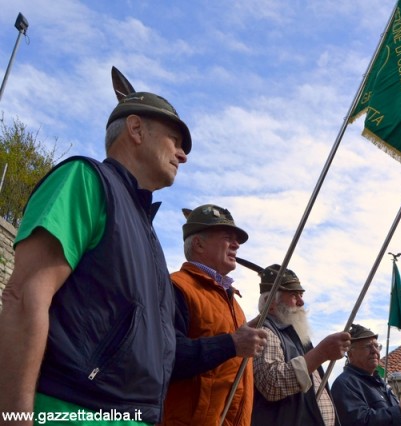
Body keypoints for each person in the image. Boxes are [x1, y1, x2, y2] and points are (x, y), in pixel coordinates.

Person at [0, 89, 192, 424]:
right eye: (175, 140)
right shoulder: (86, 180)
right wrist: (14, 416)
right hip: (73, 409)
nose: (182, 155)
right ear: (135, 129)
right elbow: (23, 297)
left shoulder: (148, 234)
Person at [161, 204, 268, 426]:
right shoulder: (175, 287)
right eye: (227, 237)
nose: (236, 245)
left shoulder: (234, 303)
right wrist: (230, 344)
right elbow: (166, 357)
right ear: (198, 244)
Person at [251, 264, 351, 425]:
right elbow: (271, 384)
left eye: (301, 294)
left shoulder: (295, 336)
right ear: (270, 303)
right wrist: (321, 353)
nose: (301, 302)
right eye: (294, 295)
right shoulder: (265, 332)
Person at [331, 324, 401, 425]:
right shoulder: (345, 384)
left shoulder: (380, 383)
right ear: (351, 354)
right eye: (368, 346)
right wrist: (399, 411)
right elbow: (360, 422)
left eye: (377, 346)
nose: (374, 351)